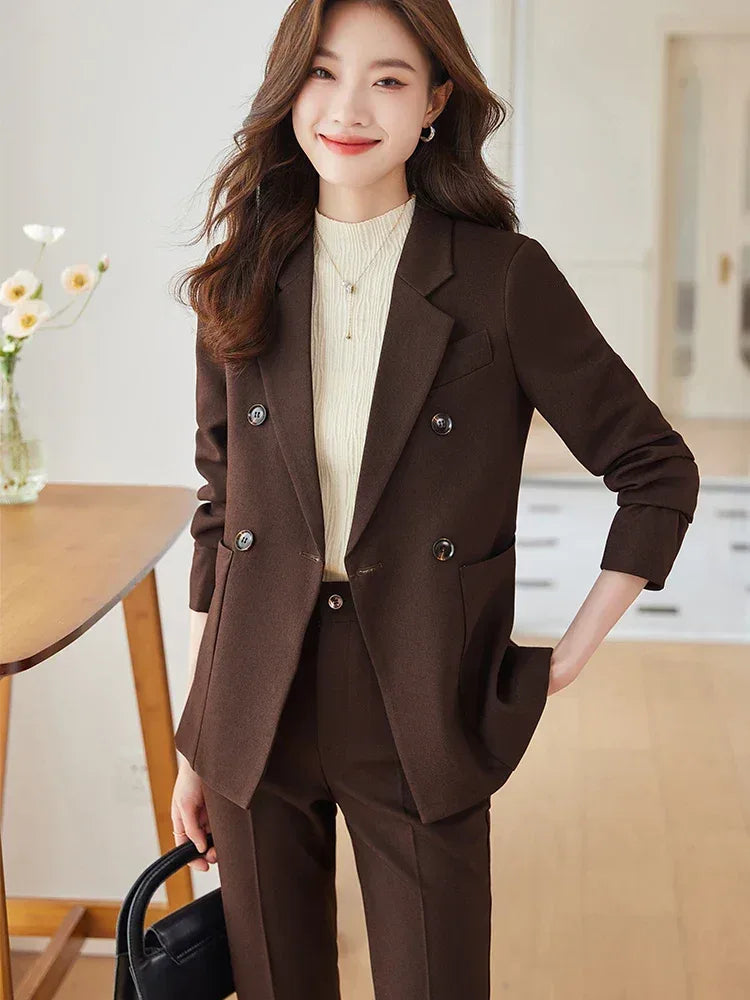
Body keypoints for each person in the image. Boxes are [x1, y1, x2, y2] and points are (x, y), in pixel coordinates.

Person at [170, 1, 700, 997]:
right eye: (323, 73)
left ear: (436, 102)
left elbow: (654, 466)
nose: (348, 106)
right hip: (253, 709)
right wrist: (199, 737)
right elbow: (220, 511)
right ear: (290, 89)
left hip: (417, 698)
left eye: (389, 78)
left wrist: (563, 655)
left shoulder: (500, 280)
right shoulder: (241, 280)